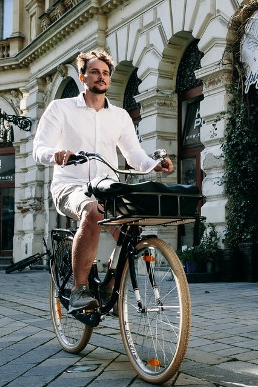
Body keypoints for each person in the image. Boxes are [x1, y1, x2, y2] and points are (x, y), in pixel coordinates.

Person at [33, 50, 173, 312]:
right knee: (93, 211)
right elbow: (39, 149)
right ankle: (79, 289)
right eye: (95, 72)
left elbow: (134, 155)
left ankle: (111, 283)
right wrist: (58, 155)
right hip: (70, 187)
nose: (101, 77)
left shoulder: (119, 116)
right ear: (82, 76)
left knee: (131, 228)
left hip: (107, 188)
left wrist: (155, 165)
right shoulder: (60, 109)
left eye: (105, 73)